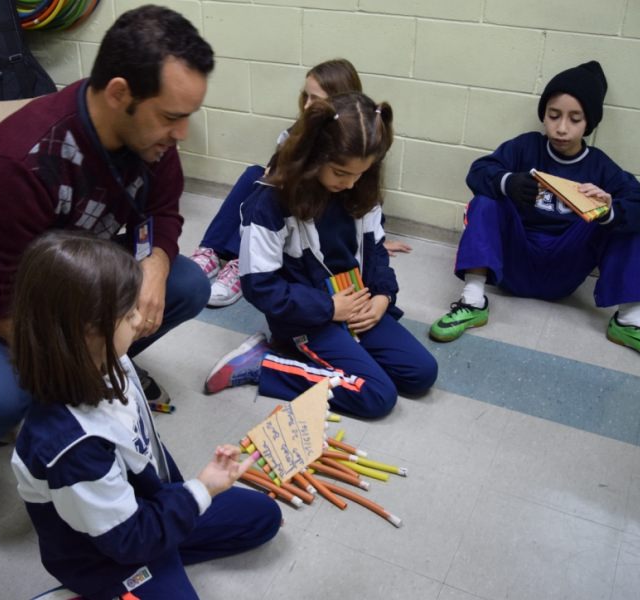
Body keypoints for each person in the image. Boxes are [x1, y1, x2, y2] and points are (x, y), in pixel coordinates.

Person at [0, 5, 213, 443]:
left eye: (186, 116)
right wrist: (76, 369)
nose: (181, 134)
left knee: (187, 284)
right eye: (170, 116)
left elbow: (162, 211)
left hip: (82, 269)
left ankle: (107, 357)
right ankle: (70, 375)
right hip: (2, 290)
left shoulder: (150, 137)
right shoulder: (20, 161)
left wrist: (155, 266)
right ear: (119, 94)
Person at [10, 230, 281, 600]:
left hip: (144, 511)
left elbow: (143, 445)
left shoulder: (114, 359)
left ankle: (161, 558)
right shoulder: (71, 445)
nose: (141, 319)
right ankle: (109, 587)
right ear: (89, 331)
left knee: (263, 517)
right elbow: (127, 540)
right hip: (107, 554)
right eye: (129, 313)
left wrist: (186, 496)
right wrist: (201, 491)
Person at [204, 93, 438, 419]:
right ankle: (266, 364)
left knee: (421, 373)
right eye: (341, 173)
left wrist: (383, 296)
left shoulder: (361, 188)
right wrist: (329, 307)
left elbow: (375, 252)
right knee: (377, 395)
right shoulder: (270, 202)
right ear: (313, 156)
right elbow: (260, 286)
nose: (351, 183)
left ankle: (331, 353)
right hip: (306, 317)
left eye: (361, 172)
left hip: (354, 303)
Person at [428, 60, 640, 353]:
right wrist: (507, 182)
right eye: (554, 115)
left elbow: (635, 200)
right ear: (544, 115)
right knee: (485, 200)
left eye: (575, 119)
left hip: (565, 267)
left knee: (625, 218)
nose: (562, 128)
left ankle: (629, 320)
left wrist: (609, 209)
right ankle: (473, 301)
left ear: (589, 123)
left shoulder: (600, 166)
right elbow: (478, 171)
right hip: (515, 263)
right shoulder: (525, 147)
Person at [191, 59, 411, 308]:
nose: (307, 105)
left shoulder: (361, 147)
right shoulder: (295, 134)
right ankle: (213, 250)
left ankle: (238, 260)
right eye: (306, 96)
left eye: (315, 99)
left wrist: (373, 242)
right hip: (290, 213)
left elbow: (365, 200)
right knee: (255, 177)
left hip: (315, 223)